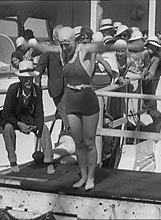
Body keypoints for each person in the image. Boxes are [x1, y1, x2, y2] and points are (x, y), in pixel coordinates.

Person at [31, 26, 142, 190]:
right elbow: (46, 48)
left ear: (73, 41)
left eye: (66, 43)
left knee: (90, 142)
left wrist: (130, 47)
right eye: (61, 44)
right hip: (72, 101)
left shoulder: (82, 49)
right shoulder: (62, 53)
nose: (63, 47)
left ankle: (91, 177)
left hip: (87, 99)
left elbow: (102, 46)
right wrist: (31, 45)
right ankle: (83, 176)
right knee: (78, 142)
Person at [0, 60, 55, 174]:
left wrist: (36, 127)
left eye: (30, 78)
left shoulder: (37, 90)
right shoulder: (13, 89)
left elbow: (39, 112)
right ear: (20, 79)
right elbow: (6, 113)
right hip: (14, 120)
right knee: (8, 128)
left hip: (29, 119)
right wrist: (18, 124)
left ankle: (49, 162)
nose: (28, 81)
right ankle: (13, 162)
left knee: (44, 128)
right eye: (25, 78)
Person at [35, 24, 70, 132]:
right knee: (66, 114)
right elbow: (39, 68)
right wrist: (36, 86)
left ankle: (68, 135)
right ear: (55, 38)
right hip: (57, 88)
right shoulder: (49, 49)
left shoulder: (68, 48)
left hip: (70, 86)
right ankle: (71, 134)